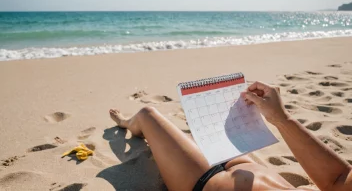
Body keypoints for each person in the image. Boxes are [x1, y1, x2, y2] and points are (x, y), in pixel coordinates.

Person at [109, 81, 352, 191]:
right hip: (244, 165)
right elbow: (338, 180)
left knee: (148, 114)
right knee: (209, 127)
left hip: (204, 182)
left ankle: (127, 124)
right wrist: (280, 118)